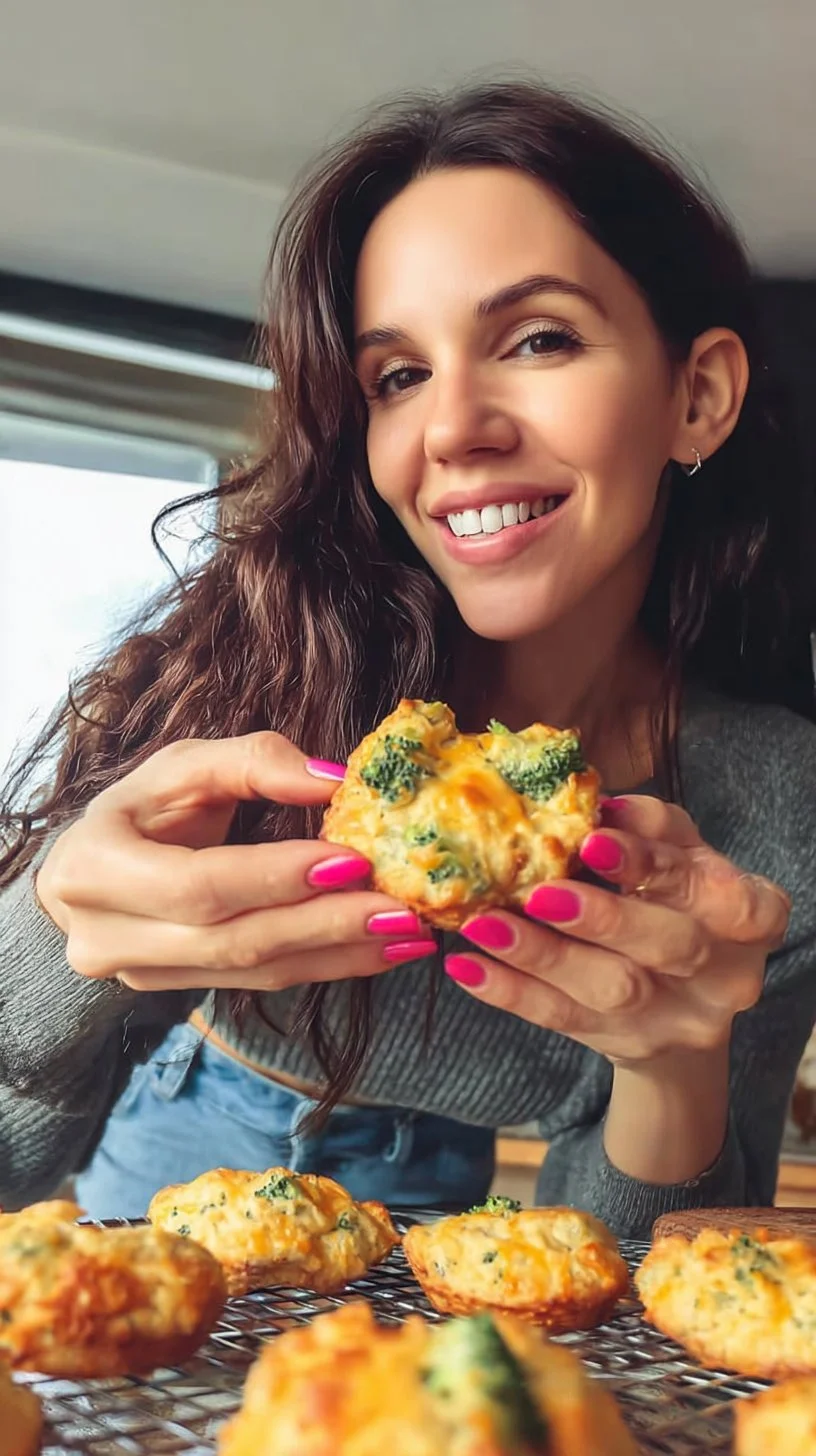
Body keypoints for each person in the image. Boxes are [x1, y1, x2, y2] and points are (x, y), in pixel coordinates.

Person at [1, 81, 814, 1237]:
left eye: (538, 339)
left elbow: (643, 1289)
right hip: (168, 1152)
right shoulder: (248, 681)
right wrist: (52, 932)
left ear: (699, 394)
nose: (452, 428)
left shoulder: (780, 807)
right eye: (398, 376)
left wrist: (675, 1069)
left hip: (459, 1225)